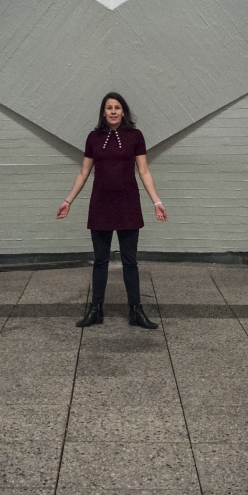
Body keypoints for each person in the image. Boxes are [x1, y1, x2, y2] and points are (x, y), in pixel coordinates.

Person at [56, 92, 166, 329]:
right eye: (109, 108)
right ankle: (96, 310)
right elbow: (84, 172)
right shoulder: (93, 137)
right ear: (103, 112)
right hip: (100, 205)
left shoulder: (135, 136)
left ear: (123, 111)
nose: (113, 111)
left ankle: (136, 311)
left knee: (130, 262)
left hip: (128, 204)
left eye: (117, 107)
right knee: (100, 261)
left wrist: (156, 202)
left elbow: (144, 171)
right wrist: (68, 200)